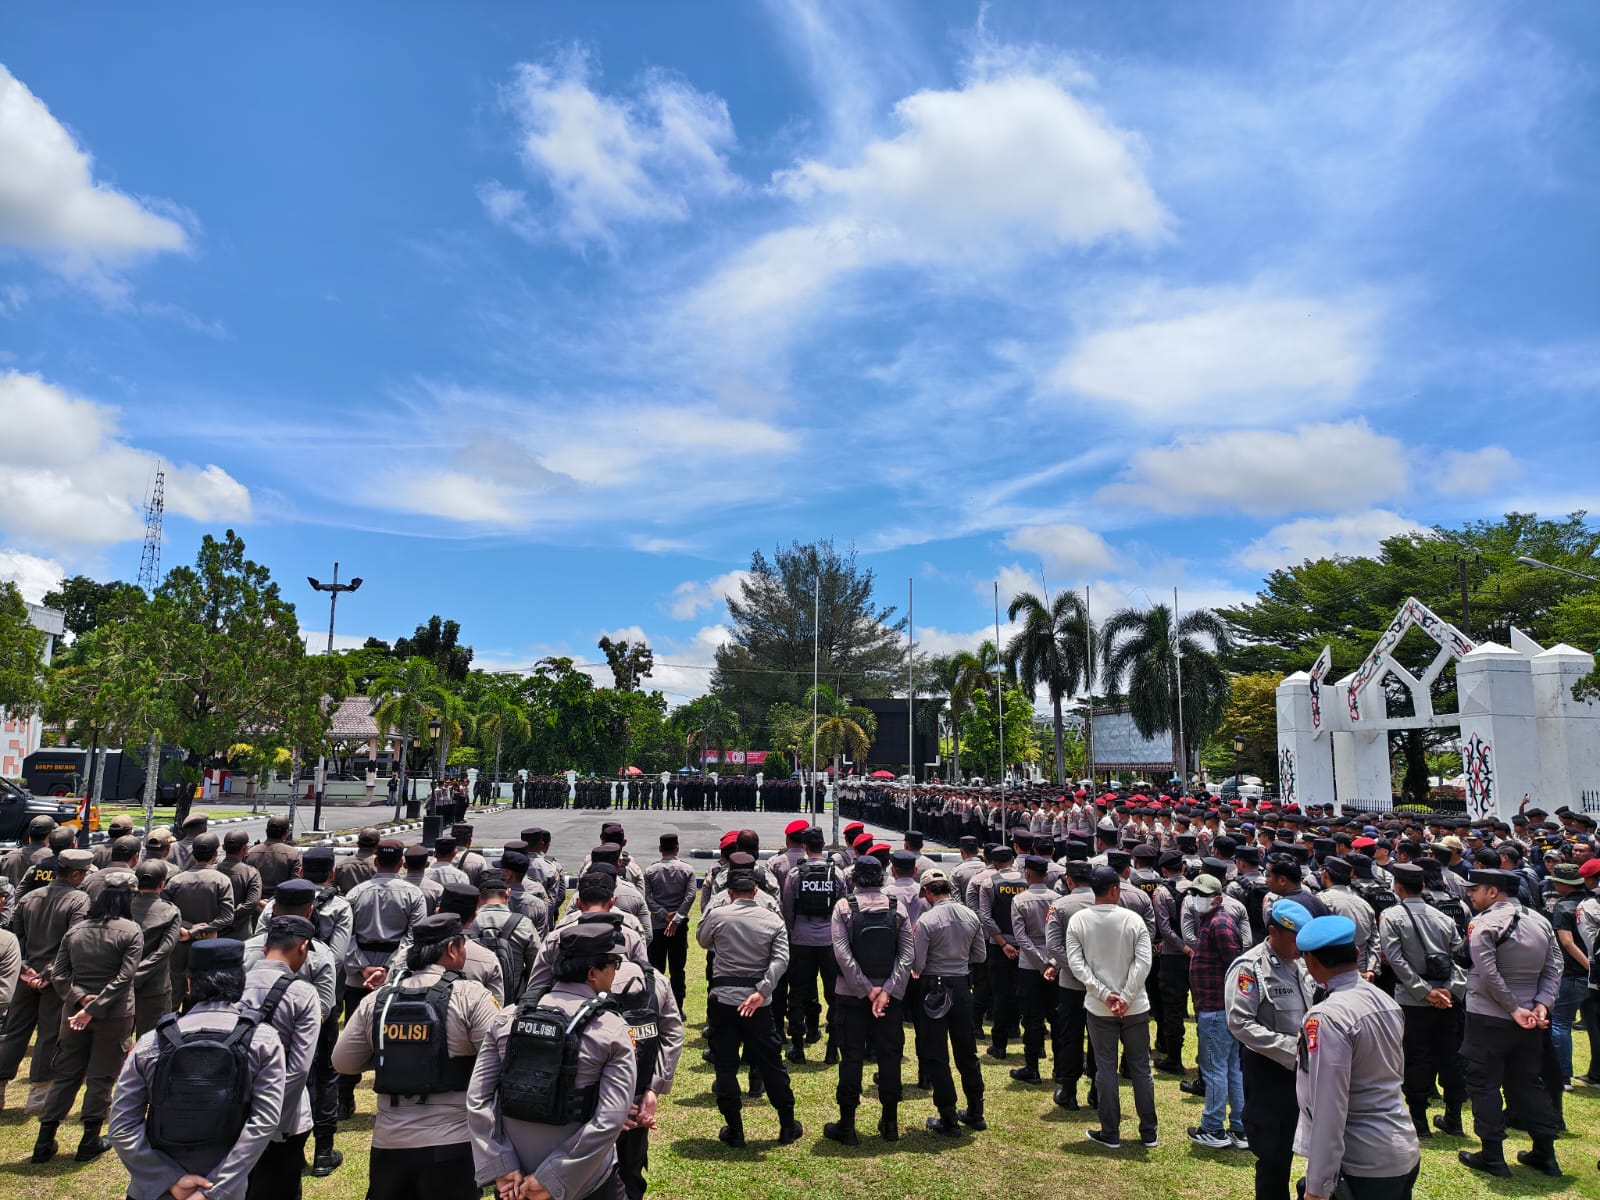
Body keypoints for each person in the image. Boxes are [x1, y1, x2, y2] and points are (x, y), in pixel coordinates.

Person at [468, 916, 638, 1200]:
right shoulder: (610, 1028)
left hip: (515, 1180)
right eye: (614, 965)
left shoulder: (508, 1017)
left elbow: (478, 1098)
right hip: (587, 1182)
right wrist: (553, 1177)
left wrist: (501, 1164)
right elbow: (610, 1119)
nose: (615, 973)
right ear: (593, 973)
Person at [333, 913, 501, 1200]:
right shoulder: (472, 996)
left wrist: (393, 1053)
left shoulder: (378, 999)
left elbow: (344, 1062)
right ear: (452, 949)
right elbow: (498, 1058)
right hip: (453, 1142)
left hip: (390, 1142)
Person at [109, 938, 288, 1200]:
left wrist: (170, 1179)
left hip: (155, 1191)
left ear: (190, 984)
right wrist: (214, 1189)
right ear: (240, 982)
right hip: (226, 1189)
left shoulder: (151, 1042)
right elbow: (264, 1122)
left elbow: (122, 1126)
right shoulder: (263, 1040)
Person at [1294, 915, 1421, 1200]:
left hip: (1362, 1162)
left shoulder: (1328, 1016)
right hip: (1400, 1145)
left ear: (1311, 962)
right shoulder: (1384, 1000)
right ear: (1356, 953)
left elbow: (1329, 1106)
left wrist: (1317, 1186)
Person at [1457, 867, 1564, 1179]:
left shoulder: (1484, 923)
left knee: (1484, 1084)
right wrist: (1542, 1003)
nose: (1469, 894)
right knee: (1528, 1082)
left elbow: (1488, 972)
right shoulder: (1540, 920)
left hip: (1489, 1017)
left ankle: (1492, 1154)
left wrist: (1514, 1007)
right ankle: (1545, 1153)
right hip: (1530, 1018)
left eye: (1474, 889)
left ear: (1493, 892)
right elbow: (1553, 966)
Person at [33, 866, 141, 1163]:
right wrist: (93, 1007)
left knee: (66, 1075)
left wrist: (81, 1002)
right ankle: (89, 1141)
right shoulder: (131, 931)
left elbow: (59, 975)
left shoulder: (75, 931)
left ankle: (44, 1142)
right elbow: (125, 977)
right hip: (114, 1015)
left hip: (73, 1014)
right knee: (101, 1077)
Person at [695, 867, 801, 1148]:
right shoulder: (772, 919)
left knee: (726, 1065)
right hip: (758, 1002)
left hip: (724, 998)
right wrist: (761, 991)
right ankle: (788, 1125)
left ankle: (735, 1129)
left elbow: (703, 940)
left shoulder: (718, 915)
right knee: (771, 1063)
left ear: (730, 893)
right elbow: (781, 960)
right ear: (756, 891)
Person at [1061, 865, 1158, 1151]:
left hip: (1100, 1007)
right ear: (1115, 889)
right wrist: (1126, 996)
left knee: (1105, 1068)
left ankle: (1110, 1131)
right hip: (1135, 1005)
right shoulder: (1133, 920)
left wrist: (1105, 994)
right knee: (1141, 1068)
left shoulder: (1079, 920)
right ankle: (1148, 1131)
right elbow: (1144, 963)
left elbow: (1077, 964)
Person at [1225, 898, 1315, 1200]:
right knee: (1274, 1157)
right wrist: (1289, 1049)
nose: (1300, 946)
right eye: (1294, 939)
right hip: (1269, 1071)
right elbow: (1240, 1023)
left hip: (1305, 1070)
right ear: (1273, 931)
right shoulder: (1250, 968)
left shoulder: (1303, 964)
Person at [1377, 862, 1467, 1138]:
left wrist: (1423, 990)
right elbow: (1461, 959)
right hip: (1447, 999)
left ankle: (1419, 1121)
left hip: (1413, 1000)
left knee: (1415, 1057)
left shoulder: (1392, 916)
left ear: (1398, 887)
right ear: (1424, 886)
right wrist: (1451, 990)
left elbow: (1395, 959)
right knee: (1450, 1056)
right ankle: (1454, 1118)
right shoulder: (1444, 918)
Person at [828, 855, 913, 1144]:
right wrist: (886, 989)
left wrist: (866, 988)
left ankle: (847, 1125)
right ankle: (890, 1122)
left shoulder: (844, 907)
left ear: (854, 878)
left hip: (851, 995)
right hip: (888, 997)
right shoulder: (897, 906)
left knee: (851, 1057)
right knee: (890, 1057)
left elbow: (842, 954)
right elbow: (907, 955)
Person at [0, 842, 90, 1114]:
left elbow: (17, 938)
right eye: (83, 873)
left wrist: (25, 969)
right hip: (56, 979)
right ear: (75, 875)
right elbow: (72, 941)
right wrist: (50, 974)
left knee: (15, 1032)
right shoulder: (79, 900)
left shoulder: (28, 898)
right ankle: (37, 1100)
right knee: (49, 1036)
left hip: (26, 977)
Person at [242, 916, 323, 1199]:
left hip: (235, 1107)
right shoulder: (302, 993)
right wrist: (275, 1123)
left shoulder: (235, 983)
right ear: (303, 947)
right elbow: (299, 1069)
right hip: (285, 1117)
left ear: (265, 947)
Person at [609, 935, 685, 1200]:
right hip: (639, 1095)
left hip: (593, 1103)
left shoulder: (584, 980)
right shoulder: (656, 980)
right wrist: (654, 1088)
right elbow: (673, 1034)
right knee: (631, 1171)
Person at [911, 873, 987, 1134]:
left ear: (927, 892)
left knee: (937, 1053)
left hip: (935, 986)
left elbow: (918, 964)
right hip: (962, 985)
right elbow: (980, 955)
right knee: (967, 1051)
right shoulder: (970, 915)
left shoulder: (926, 920)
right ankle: (976, 1111)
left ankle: (948, 1115)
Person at [1187, 872, 1246, 1149]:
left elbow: (1235, 966)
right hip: (1219, 1009)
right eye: (1195, 894)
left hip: (1216, 1009)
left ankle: (1212, 1127)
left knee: (1215, 1070)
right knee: (1231, 1069)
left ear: (1218, 899)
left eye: (1203, 895)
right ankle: (1239, 1127)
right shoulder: (1212, 921)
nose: (1196, 900)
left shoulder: (1220, 923)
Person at [780, 827, 846, 1065]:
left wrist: (792, 931)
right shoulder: (836, 873)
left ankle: (798, 1047)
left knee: (797, 994)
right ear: (824, 844)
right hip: (829, 941)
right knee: (834, 994)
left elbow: (787, 908)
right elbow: (843, 908)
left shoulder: (796, 873)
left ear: (804, 847)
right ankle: (832, 1049)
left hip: (801, 940)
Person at [642, 833, 695, 1012]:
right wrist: (677, 918)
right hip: (678, 928)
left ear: (660, 849)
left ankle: (657, 1007)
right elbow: (690, 896)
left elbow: (647, 898)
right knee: (677, 970)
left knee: (656, 970)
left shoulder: (650, 871)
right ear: (677, 848)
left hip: (657, 925)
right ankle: (678, 1009)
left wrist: (663, 915)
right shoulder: (687, 870)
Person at [130, 861, 182, 1035]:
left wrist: (126, 976)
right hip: (154, 987)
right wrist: (138, 973)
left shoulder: (123, 906)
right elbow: (164, 951)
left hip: (120, 985)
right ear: (162, 884)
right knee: (152, 1042)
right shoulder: (170, 912)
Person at [217, 830, 265, 941]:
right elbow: (251, 904)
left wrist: (219, 919)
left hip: (214, 932)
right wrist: (229, 916)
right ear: (245, 848)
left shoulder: (213, 870)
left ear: (224, 847)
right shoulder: (251, 873)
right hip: (240, 935)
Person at [245, 816, 302, 900]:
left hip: (254, 904)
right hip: (281, 903)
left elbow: (244, 883)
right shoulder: (292, 853)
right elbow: (294, 883)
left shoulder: (250, 852)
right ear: (286, 833)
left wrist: (256, 902)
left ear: (266, 831)